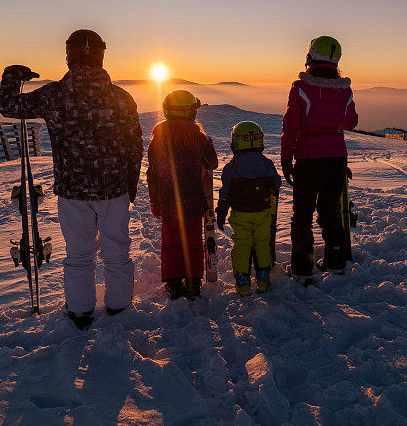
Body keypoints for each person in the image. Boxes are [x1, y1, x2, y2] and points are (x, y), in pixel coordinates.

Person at [0, 29, 143, 329]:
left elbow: (9, 107)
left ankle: (80, 312)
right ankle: (119, 307)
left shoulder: (54, 96)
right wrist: (130, 184)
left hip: (73, 191)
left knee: (79, 254)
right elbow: (134, 144)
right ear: (102, 55)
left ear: (69, 56)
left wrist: (14, 75)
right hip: (114, 189)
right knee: (117, 251)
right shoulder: (121, 98)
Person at [281, 36, 358, 285]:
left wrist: (285, 157)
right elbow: (351, 122)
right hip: (336, 156)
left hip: (307, 157)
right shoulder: (344, 90)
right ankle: (335, 260)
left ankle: (302, 266)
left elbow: (291, 125)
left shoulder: (300, 88)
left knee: (302, 214)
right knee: (329, 210)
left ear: (311, 55)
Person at [147, 90, 218, 300]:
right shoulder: (197, 137)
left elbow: (152, 174)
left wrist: (154, 200)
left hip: (167, 201)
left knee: (170, 242)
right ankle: (194, 282)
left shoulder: (157, 138)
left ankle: (174, 284)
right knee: (193, 243)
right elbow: (211, 163)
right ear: (189, 112)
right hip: (193, 200)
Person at [215, 121, 281, 296]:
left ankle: (243, 282)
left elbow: (225, 193)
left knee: (242, 245)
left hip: (240, 215)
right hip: (263, 214)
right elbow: (276, 183)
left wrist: (221, 212)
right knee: (262, 244)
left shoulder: (231, 168)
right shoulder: (267, 164)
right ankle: (263, 278)